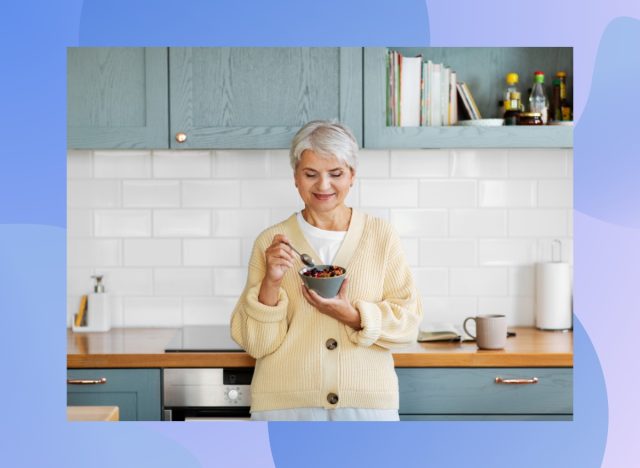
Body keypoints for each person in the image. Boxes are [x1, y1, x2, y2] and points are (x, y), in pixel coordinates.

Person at [230, 120, 422, 421]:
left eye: (336, 174)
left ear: (352, 176)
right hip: (286, 408)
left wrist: (353, 316)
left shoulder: (380, 235)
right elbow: (256, 344)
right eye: (310, 174)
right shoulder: (271, 242)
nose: (323, 186)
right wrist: (271, 282)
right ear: (295, 177)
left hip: (366, 408)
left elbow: (408, 325)